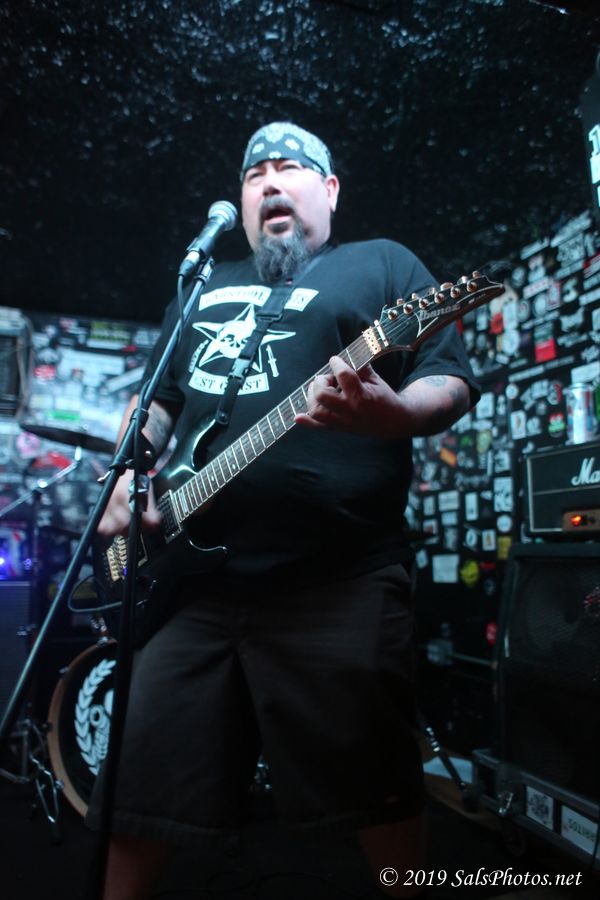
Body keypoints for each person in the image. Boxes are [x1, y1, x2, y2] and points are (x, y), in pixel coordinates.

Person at [87, 121, 479, 899]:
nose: (269, 181)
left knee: (379, 794)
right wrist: (129, 471)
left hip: (339, 581)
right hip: (193, 591)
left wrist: (396, 414)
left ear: (329, 191)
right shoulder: (204, 287)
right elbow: (158, 403)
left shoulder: (382, 265)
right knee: (137, 789)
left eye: (290, 167)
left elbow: (450, 379)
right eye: (254, 172)